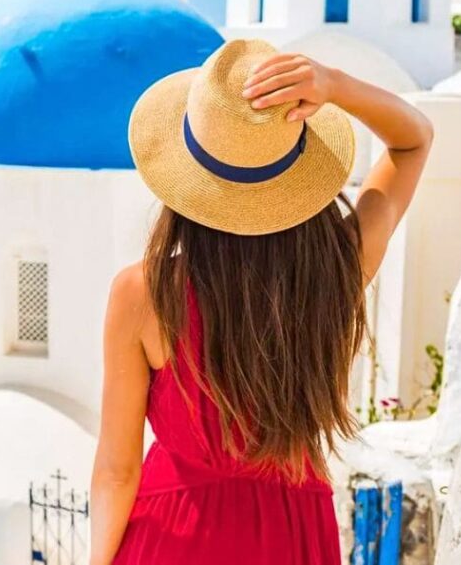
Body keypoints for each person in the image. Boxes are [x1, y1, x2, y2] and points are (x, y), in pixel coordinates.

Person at [89, 39, 433, 565]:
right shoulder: (338, 270)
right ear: (299, 173)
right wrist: (333, 85)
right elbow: (413, 140)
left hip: (171, 536)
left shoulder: (143, 293)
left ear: (187, 177)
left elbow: (117, 472)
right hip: (292, 535)